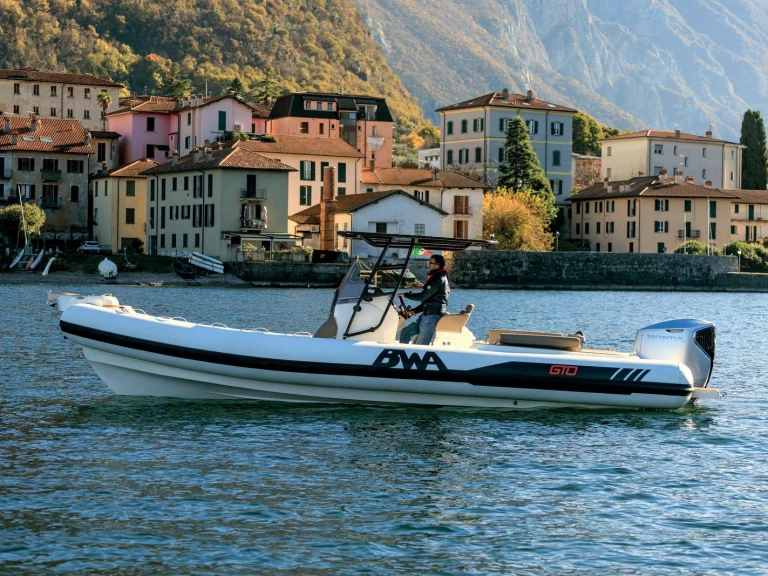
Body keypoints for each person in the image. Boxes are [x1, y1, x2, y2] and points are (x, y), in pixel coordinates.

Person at [398, 255, 450, 345]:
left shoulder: (438, 280)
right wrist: (414, 311)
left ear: (437, 266)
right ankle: (403, 355)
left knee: (422, 344)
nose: (428, 265)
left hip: (432, 316)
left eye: (430, 263)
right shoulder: (437, 278)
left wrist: (405, 295)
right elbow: (429, 300)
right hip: (426, 314)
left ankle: (417, 356)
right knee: (405, 332)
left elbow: (423, 297)